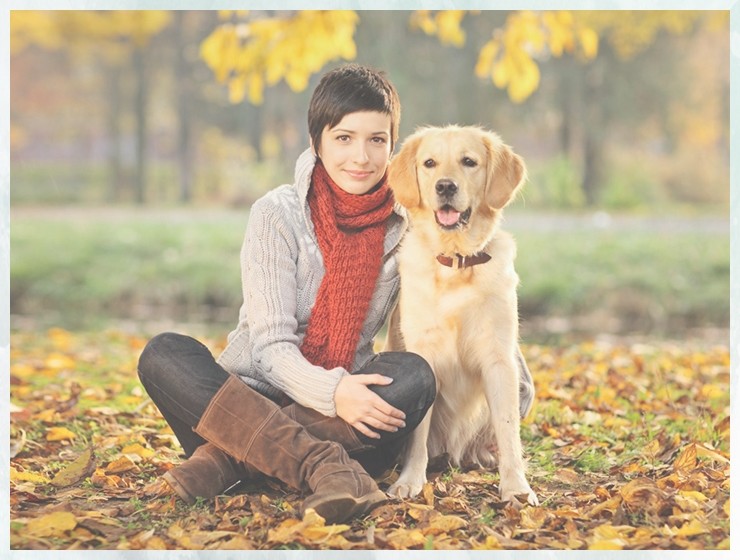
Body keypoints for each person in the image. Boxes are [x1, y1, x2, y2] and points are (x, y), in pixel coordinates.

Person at [137, 63, 535, 525]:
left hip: (343, 421)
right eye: (344, 138)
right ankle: (323, 468)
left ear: (391, 147)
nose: (361, 157)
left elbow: (481, 336)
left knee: (412, 375)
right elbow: (268, 349)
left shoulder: (410, 226)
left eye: (376, 140)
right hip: (252, 401)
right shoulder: (276, 214)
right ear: (316, 143)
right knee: (165, 354)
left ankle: (226, 463)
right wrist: (333, 392)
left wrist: (509, 400)